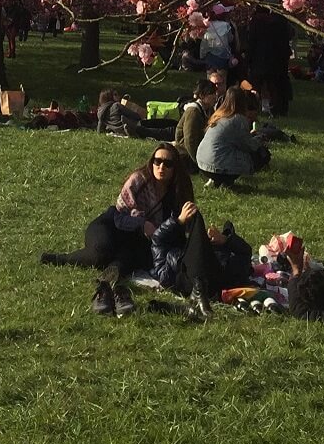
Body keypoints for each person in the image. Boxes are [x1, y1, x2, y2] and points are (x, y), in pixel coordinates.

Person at [41, 143, 189, 317]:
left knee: (131, 257)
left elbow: (175, 231)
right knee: (101, 253)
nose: (161, 167)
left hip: (138, 242)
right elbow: (119, 217)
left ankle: (108, 283)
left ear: (175, 168)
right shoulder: (138, 180)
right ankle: (60, 258)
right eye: (157, 161)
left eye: (167, 163)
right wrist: (142, 224)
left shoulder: (177, 194)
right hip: (112, 226)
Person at [195, 86, 268, 187]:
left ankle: (214, 180)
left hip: (202, 163)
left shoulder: (218, 115)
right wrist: (259, 138)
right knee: (259, 154)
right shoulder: (238, 119)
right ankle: (226, 181)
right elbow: (248, 146)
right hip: (219, 166)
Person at [244, 2, 293, 115]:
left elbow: (251, 41)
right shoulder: (280, 21)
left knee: (257, 84)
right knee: (273, 85)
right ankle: (274, 107)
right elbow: (287, 38)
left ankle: (256, 106)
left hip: (258, 58)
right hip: (275, 59)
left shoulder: (255, 22)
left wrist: (248, 58)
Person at [96, 89, 175, 140]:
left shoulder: (100, 112)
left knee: (155, 128)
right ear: (109, 97)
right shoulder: (116, 106)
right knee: (159, 126)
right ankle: (174, 129)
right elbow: (134, 115)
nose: (118, 96)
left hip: (123, 130)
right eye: (115, 95)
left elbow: (100, 130)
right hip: (134, 126)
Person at [176, 80, 218, 163]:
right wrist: (197, 161)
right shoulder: (193, 111)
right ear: (202, 95)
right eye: (212, 93)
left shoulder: (209, 109)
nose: (215, 96)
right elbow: (189, 140)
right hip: (186, 152)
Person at [200, 3, 237, 72]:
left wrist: (202, 54)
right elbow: (230, 39)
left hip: (210, 55)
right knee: (221, 77)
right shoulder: (225, 25)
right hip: (223, 56)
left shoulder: (208, 25)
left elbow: (205, 41)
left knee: (211, 77)